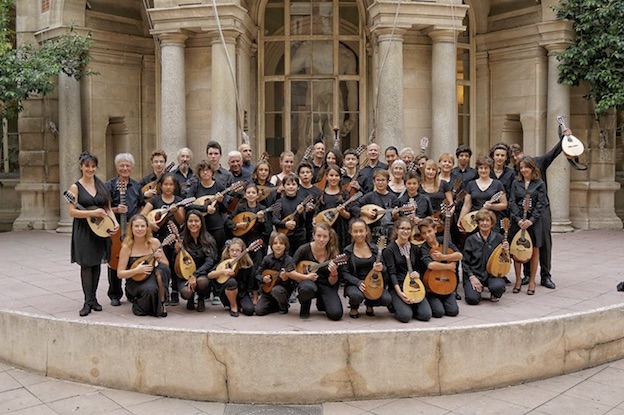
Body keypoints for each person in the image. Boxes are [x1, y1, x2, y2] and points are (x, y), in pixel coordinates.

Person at [509, 125, 569, 290]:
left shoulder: (538, 162)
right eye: (512, 156)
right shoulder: (516, 174)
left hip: (541, 212)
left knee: (543, 243)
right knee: (526, 241)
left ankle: (546, 275)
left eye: (517, 154)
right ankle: (528, 275)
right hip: (522, 213)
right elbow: (512, 198)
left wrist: (564, 138)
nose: (515, 158)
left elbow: (554, 153)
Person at [68, 152, 119, 317]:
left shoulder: (101, 185)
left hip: (100, 229)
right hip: (83, 230)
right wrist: (91, 214)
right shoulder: (75, 187)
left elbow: (107, 208)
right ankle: (87, 301)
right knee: (86, 264)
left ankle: (94, 298)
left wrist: (114, 222)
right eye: (87, 166)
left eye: (93, 166)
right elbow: (72, 212)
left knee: (96, 263)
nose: (90, 169)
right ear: (81, 167)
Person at [140, 173, 185, 305]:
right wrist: (150, 224)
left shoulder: (179, 200)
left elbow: (181, 221)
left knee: (174, 263)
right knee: (162, 265)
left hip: (175, 237)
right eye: (166, 184)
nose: (168, 187)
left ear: (174, 186)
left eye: (171, 184)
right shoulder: (155, 200)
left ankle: (175, 291)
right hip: (158, 238)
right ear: (161, 186)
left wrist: (176, 211)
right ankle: (163, 291)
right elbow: (141, 216)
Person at [105, 153, 143, 307]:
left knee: (132, 259)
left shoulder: (136, 186)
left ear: (132, 168)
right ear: (117, 167)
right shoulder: (109, 185)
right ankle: (115, 294)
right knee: (114, 260)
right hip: (115, 228)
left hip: (132, 228)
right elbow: (104, 207)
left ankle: (131, 292)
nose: (125, 168)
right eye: (122, 165)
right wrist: (115, 209)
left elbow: (141, 205)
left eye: (128, 165)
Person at [116, 214, 169, 317]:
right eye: (136, 226)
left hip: (151, 276)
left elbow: (166, 264)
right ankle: (138, 304)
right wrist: (136, 270)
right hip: (134, 280)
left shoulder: (154, 243)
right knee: (149, 290)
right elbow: (120, 274)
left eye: (142, 226)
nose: (139, 229)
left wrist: (158, 258)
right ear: (131, 228)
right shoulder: (127, 247)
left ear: (147, 228)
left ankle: (162, 302)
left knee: (162, 270)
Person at [290, 222, 344, 320]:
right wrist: (305, 277)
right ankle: (305, 305)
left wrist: (334, 273)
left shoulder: (332, 252)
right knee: (307, 288)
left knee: (336, 315)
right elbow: (288, 271)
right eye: (318, 236)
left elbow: (332, 282)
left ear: (329, 237)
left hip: (325, 284)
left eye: (325, 236)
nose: (321, 240)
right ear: (313, 235)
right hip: (308, 283)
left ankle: (321, 301)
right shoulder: (304, 249)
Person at [382, 218, 432, 323]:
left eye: (408, 229)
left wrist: (417, 273)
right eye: (402, 228)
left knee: (426, 315)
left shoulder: (415, 248)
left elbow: (419, 268)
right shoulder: (389, 250)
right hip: (398, 286)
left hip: (413, 286)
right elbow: (392, 273)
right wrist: (400, 293)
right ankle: (395, 305)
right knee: (405, 317)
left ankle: (410, 306)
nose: (406, 231)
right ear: (396, 230)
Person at [509, 157, 547, 295]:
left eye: (527, 167)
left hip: (534, 222)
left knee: (534, 251)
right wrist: (518, 220)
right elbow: (512, 201)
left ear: (532, 168)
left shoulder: (540, 184)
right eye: (521, 167)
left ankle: (532, 281)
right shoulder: (516, 182)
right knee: (516, 250)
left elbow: (541, 204)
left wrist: (531, 220)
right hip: (517, 221)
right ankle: (518, 280)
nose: (524, 170)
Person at [342, 219, 391, 318]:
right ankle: (354, 307)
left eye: (361, 231)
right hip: (355, 284)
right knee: (356, 296)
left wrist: (381, 268)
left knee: (387, 299)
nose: (359, 234)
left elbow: (385, 268)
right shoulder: (347, 251)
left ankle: (370, 303)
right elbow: (344, 273)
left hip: (373, 283)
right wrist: (358, 282)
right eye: (355, 231)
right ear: (351, 232)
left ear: (366, 231)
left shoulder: (375, 249)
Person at [462, 209, 508, 305]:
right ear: (477, 223)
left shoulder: (499, 238)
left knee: (498, 287)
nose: (484, 223)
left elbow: (504, 260)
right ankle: (477, 290)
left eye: (487, 220)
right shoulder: (470, 240)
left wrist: (506, 251)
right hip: (475, 274)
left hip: (492, 274)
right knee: (472, 299)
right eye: (482, 221)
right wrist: (472, 277)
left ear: (492, 223)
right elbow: (465, 263)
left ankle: (493, 292)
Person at [175, 210, 218, 312]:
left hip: (202, 274)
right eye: (190, 221)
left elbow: (210, 262)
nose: (193, 224)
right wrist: (176, 252)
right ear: (186, 223)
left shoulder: (208, 240)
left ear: (201, 223)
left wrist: (195, 275)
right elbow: (176, 264)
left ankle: (201, 298)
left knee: (201, 282)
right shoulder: (182, 239)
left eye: (196, 221)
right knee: (186, 292)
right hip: (185, 274)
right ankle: (190, 298)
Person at [418, 217, 461, 317]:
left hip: (447, 282)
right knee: (439, 313)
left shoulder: (444, 241)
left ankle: (446, 296)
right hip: (431, 285)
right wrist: (449, 267)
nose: (427, 235)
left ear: (435, 230)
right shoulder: (424, 247)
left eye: (429, 231)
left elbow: (459, 255)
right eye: (424, 233)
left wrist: (444, 257)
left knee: (453, 312)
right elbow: (431, 265)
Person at [457, 156, 508, 234]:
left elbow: (504, 204)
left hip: (491, 222)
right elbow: (467, 205)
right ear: (477, 169)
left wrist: (491, 206)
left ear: (490, 169)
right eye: (481, 168)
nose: (483, 170)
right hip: (475, 221)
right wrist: (460, 220)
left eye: (486, 168)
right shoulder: (471, 184)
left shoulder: (497, 184)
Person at [208, 238, 255, 317]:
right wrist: (222, 272)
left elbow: (252, 282)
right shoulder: (225, 262)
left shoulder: (247, 265)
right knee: (231, 281)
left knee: (249, 311)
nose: (234, 252)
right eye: (232, 250)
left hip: (242, 293)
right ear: (228, 251)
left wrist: (255, 298)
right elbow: (210, 275)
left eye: (237, 250)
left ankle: (239, 306)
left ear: (242, 251)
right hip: (227, 293)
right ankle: (233, 306)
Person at [254, 232, 296, 316]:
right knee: (258, 311)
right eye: (275, 243)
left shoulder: (289, 261)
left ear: (285, 246)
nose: (278, 246)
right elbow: (257, 274)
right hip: (267, 291)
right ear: (271, 245)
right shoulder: (267, 259)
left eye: (281, 243)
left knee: (276, 290)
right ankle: (275, 305)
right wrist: (263, 279)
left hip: (282, 291)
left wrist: (286, 279)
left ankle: (283, 307)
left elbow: (293, 282)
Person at [352, 169, 399, 242]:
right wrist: (365, 212)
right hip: (372, 233)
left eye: (383, 180)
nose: (380, 183)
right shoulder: (369, 196)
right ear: (374, 182)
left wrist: (395, 215)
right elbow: (353, 207)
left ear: (387, 181)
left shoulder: (393, 197)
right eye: (378, 180)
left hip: (389, 233)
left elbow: (397, 218)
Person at [314, 164, 351, 249]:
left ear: (340, 177)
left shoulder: (344, 194)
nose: (333, 178)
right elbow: (316, 213)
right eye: (331, 175)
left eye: (336, 175)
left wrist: (342, 212)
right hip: (324, 229)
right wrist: (315, 220)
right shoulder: (321, 194)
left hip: (340, 229)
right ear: (326, 177)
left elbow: (349, 215)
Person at [273, 173, 308, 255]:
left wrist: (300, 213)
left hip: (299, 237)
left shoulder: (302, 202)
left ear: (298, 187)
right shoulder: (278, 202)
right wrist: (285, 224)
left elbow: (303, 222)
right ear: (283, 187)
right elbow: (274, 220)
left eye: (293, 184)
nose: (291, 187)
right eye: (288, 184)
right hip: (284, 237)